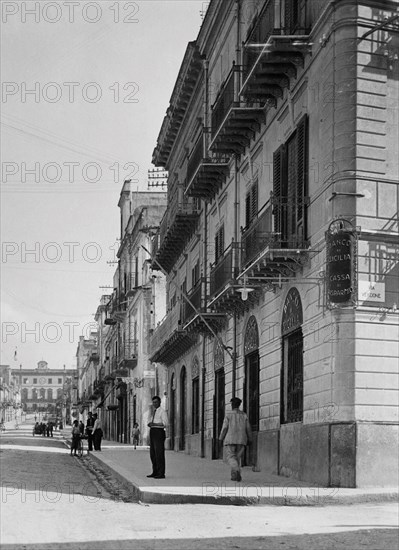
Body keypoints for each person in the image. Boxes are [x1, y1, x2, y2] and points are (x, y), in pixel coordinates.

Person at [219, 397, 252, 482]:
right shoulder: (244, 415)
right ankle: (234, 476)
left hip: (230, 439)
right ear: (239, 405)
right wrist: (250, 438)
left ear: (232, 405)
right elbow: (248, 428)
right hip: (241, 440)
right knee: (237, 458)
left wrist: (220, 438)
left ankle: (236, 470)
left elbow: (225, 428)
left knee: (231, 457)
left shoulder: (228, 415)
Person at [147, 396, 168, 479]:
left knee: (159, 453)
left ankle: (161, 473)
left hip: (159, 432)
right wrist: (150, 424)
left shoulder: (162, 412)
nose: (154, 404)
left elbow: (165, 423)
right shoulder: (154, 412)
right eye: (153, 402)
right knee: (153, 454)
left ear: (160, 402)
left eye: (156, 402)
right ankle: (155, 471)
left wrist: (154, 424)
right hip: (153, 432)